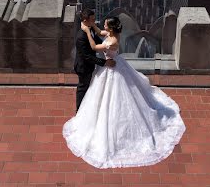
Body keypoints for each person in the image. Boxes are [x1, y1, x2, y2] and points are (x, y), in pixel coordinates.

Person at [63, 16, 186, 169]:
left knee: (114, 99)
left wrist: (87, 31)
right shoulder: (112, 35)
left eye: (106, 24)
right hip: (114, 65)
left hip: (110, 67)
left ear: (111, 28)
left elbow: (95, 47)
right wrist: (93, 26)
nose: (103, 25)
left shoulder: (112, 41)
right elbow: (101, 32)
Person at [73, 9, 115, 112]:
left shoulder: (90, 28)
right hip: (83, 66)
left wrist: (104, 46)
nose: (94, 21)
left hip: (89, 65)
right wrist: (104, 62)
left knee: (89, 86)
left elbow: (96, 38)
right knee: (83, 87)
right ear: (85, 20)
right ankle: (79, 110)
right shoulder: (81, 37)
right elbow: (87, 56)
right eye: (92, 20)